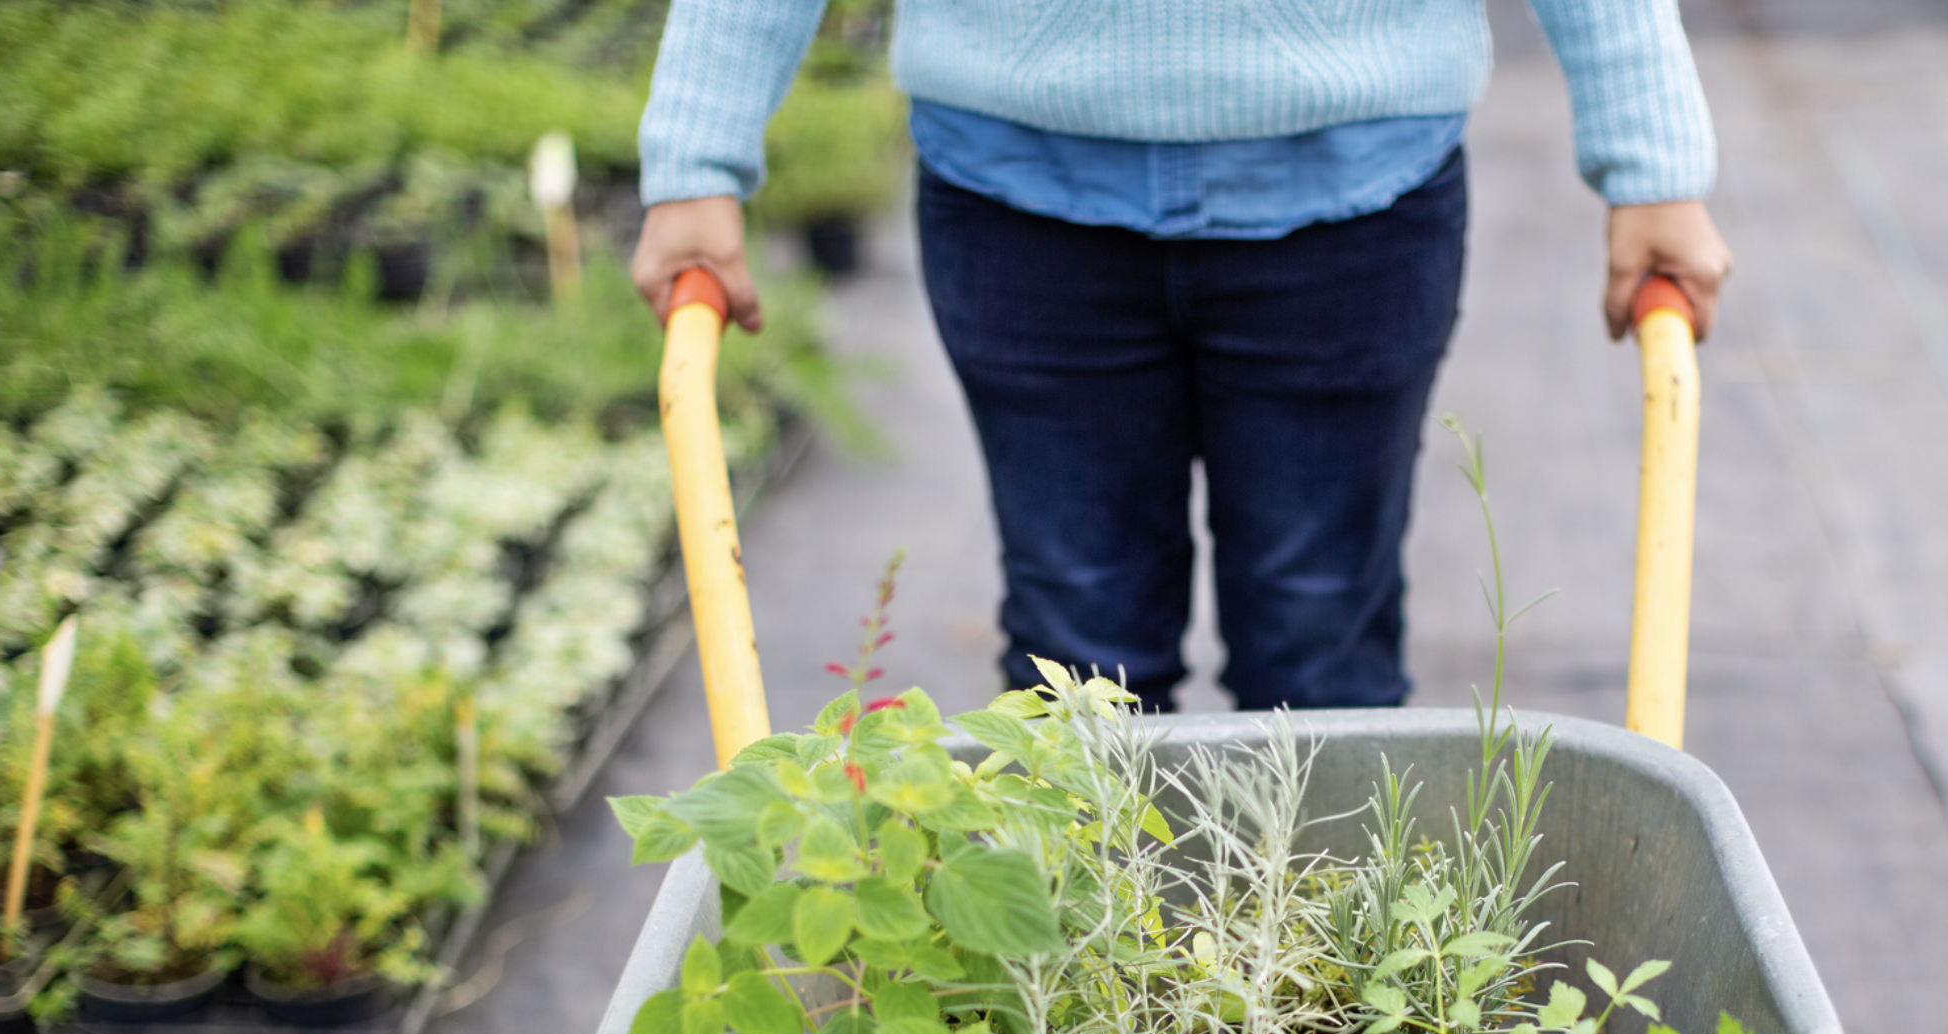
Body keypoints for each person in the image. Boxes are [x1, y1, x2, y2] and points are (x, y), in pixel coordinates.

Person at [630, 1, 1733, 712]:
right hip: (1018, 189)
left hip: (1350, 189)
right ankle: (1098, 1033)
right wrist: (695, 156)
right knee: (1077, 652)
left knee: (1320, 653)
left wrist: (1652, 163)